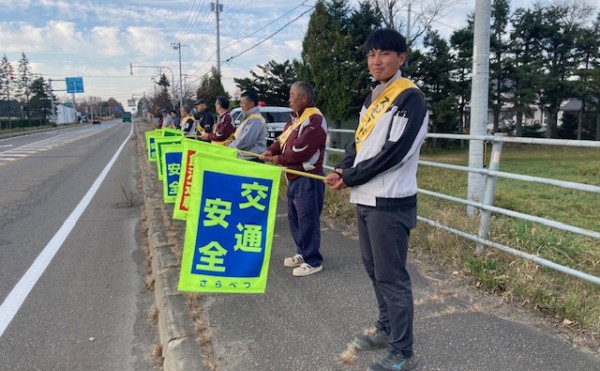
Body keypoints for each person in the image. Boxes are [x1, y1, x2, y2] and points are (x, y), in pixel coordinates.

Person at [324, 29, 428, 371]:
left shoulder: (410, 98)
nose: (376, 60)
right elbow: (358, 144)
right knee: (374, 270)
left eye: (384, 54)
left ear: (402, 58)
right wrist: (342, 168)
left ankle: (403, 352)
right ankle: (386, 329)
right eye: (371, 55)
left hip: (391, 201)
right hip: (365, 199)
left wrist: (351, 176)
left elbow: (395, 153)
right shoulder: (372, 99)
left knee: (392, 277)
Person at [261, 82, 327, 277]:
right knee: (295, 219)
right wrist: (271, 150)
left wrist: (278, 159)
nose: (289, 99)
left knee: (308, 220)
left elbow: (298, 151)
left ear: (303, 98)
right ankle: (303, 252)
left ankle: (314, 260)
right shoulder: (295, 120)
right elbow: (282, 140)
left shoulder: (314, 119)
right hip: (293, 176)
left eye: (292, 95)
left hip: (308, 176)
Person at [227, 91, 267, 161]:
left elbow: (245, 142)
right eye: (240, 103)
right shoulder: (249, 117)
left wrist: (229, 146)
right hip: (245, 157)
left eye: (243, 103)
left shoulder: (255, 119)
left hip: (251, 158)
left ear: (251, 103)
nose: (241, 105)